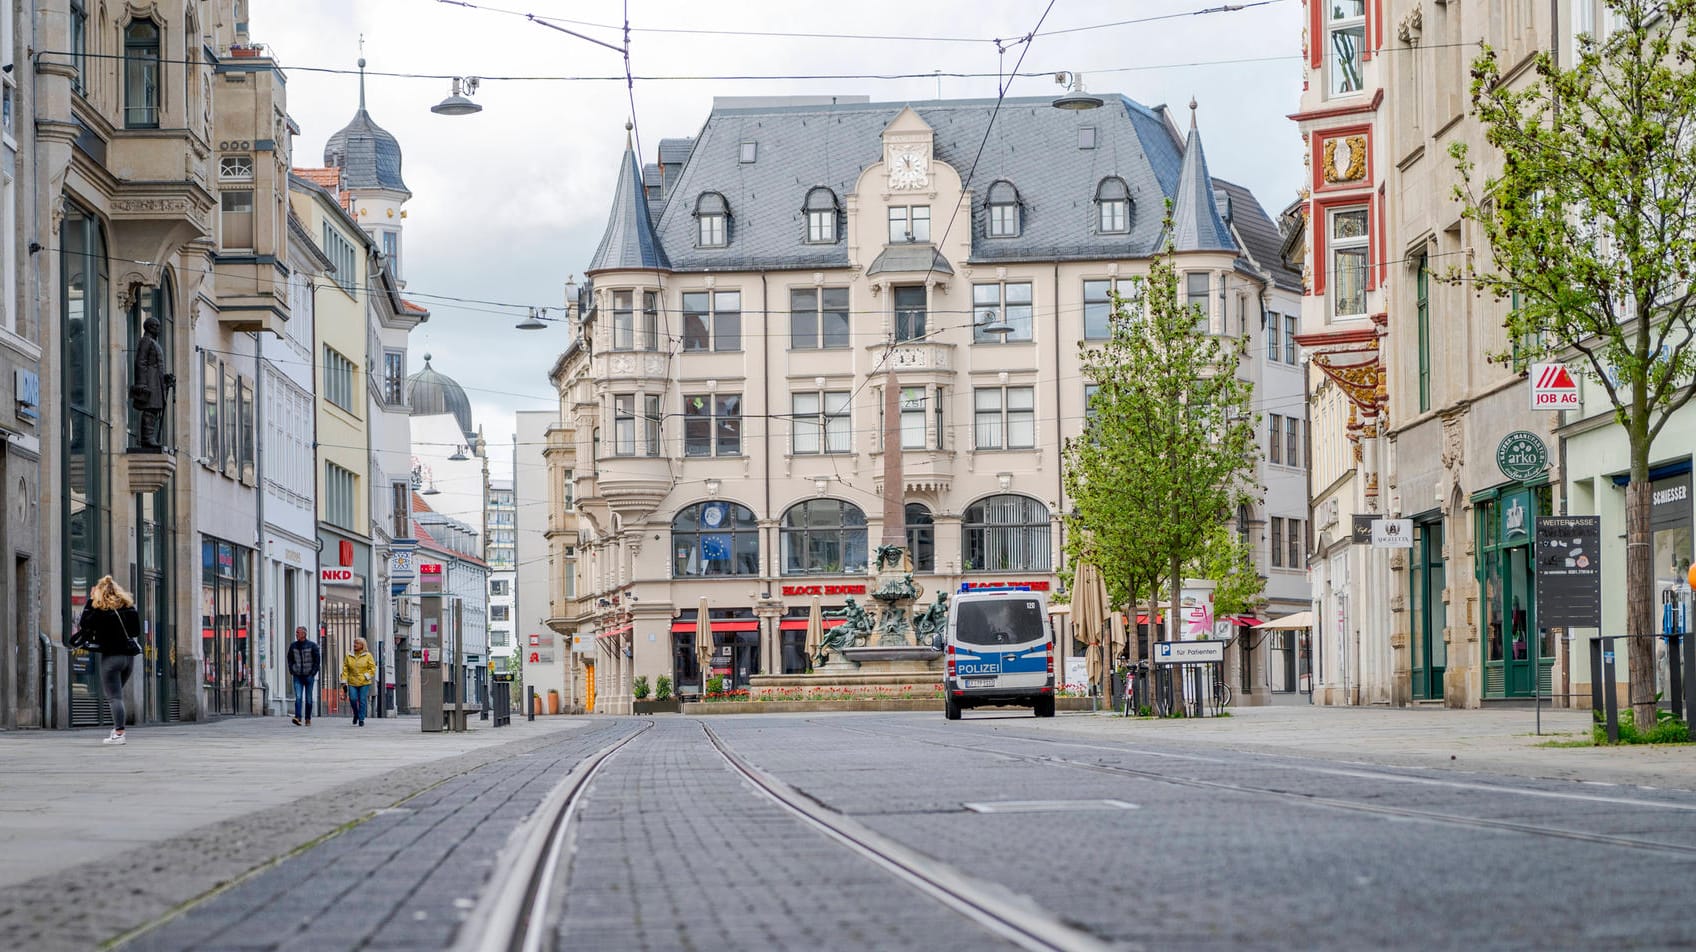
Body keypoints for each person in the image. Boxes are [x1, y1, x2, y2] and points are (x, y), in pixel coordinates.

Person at [75, 576, 143, 745]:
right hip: (128, 659)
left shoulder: (99, 612)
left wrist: (90, 601)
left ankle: (119, 733)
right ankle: (117, 731)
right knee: (117, 696)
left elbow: (84, 624)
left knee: (114, 697)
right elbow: (136, 631)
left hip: (111, 659)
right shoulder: (129, 608)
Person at [286, 627, 321, 726]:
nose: (296, 634)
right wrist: (292, 670)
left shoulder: (312, 646)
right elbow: (290, 659)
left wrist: (313, 672)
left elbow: (317, 661)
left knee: (309, 698)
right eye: (296, 632)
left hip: (309, 675)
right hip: (297, 675)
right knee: (298, 697)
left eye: (298, 632)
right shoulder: (293, 646)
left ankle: (308, 718)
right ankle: (297, 717)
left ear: (304, 634)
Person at [341, 638, 376, 726]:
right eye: (354, 643)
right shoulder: (349, 655)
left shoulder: (368, 655)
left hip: (364, 682)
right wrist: (344, 680)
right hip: (352, 681)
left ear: (362, 645)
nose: (354, 645)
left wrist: (366, 676)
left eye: (357, 643)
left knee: (362, 700)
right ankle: (356, 714)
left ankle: (361, 719)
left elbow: (372, 668)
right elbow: (345, 669)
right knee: (352, 699)